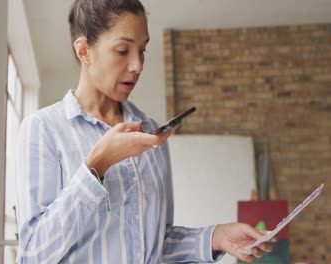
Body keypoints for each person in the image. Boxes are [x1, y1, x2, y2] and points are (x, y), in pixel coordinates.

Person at [15, 0, 274, 263]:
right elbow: (33, 254)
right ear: (84, 50)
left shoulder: (150, 132)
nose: (137, 65)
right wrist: (97, 165)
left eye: (142, 50)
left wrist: (215, 237)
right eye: (122, 50)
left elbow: (154, 244)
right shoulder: (44, 129)